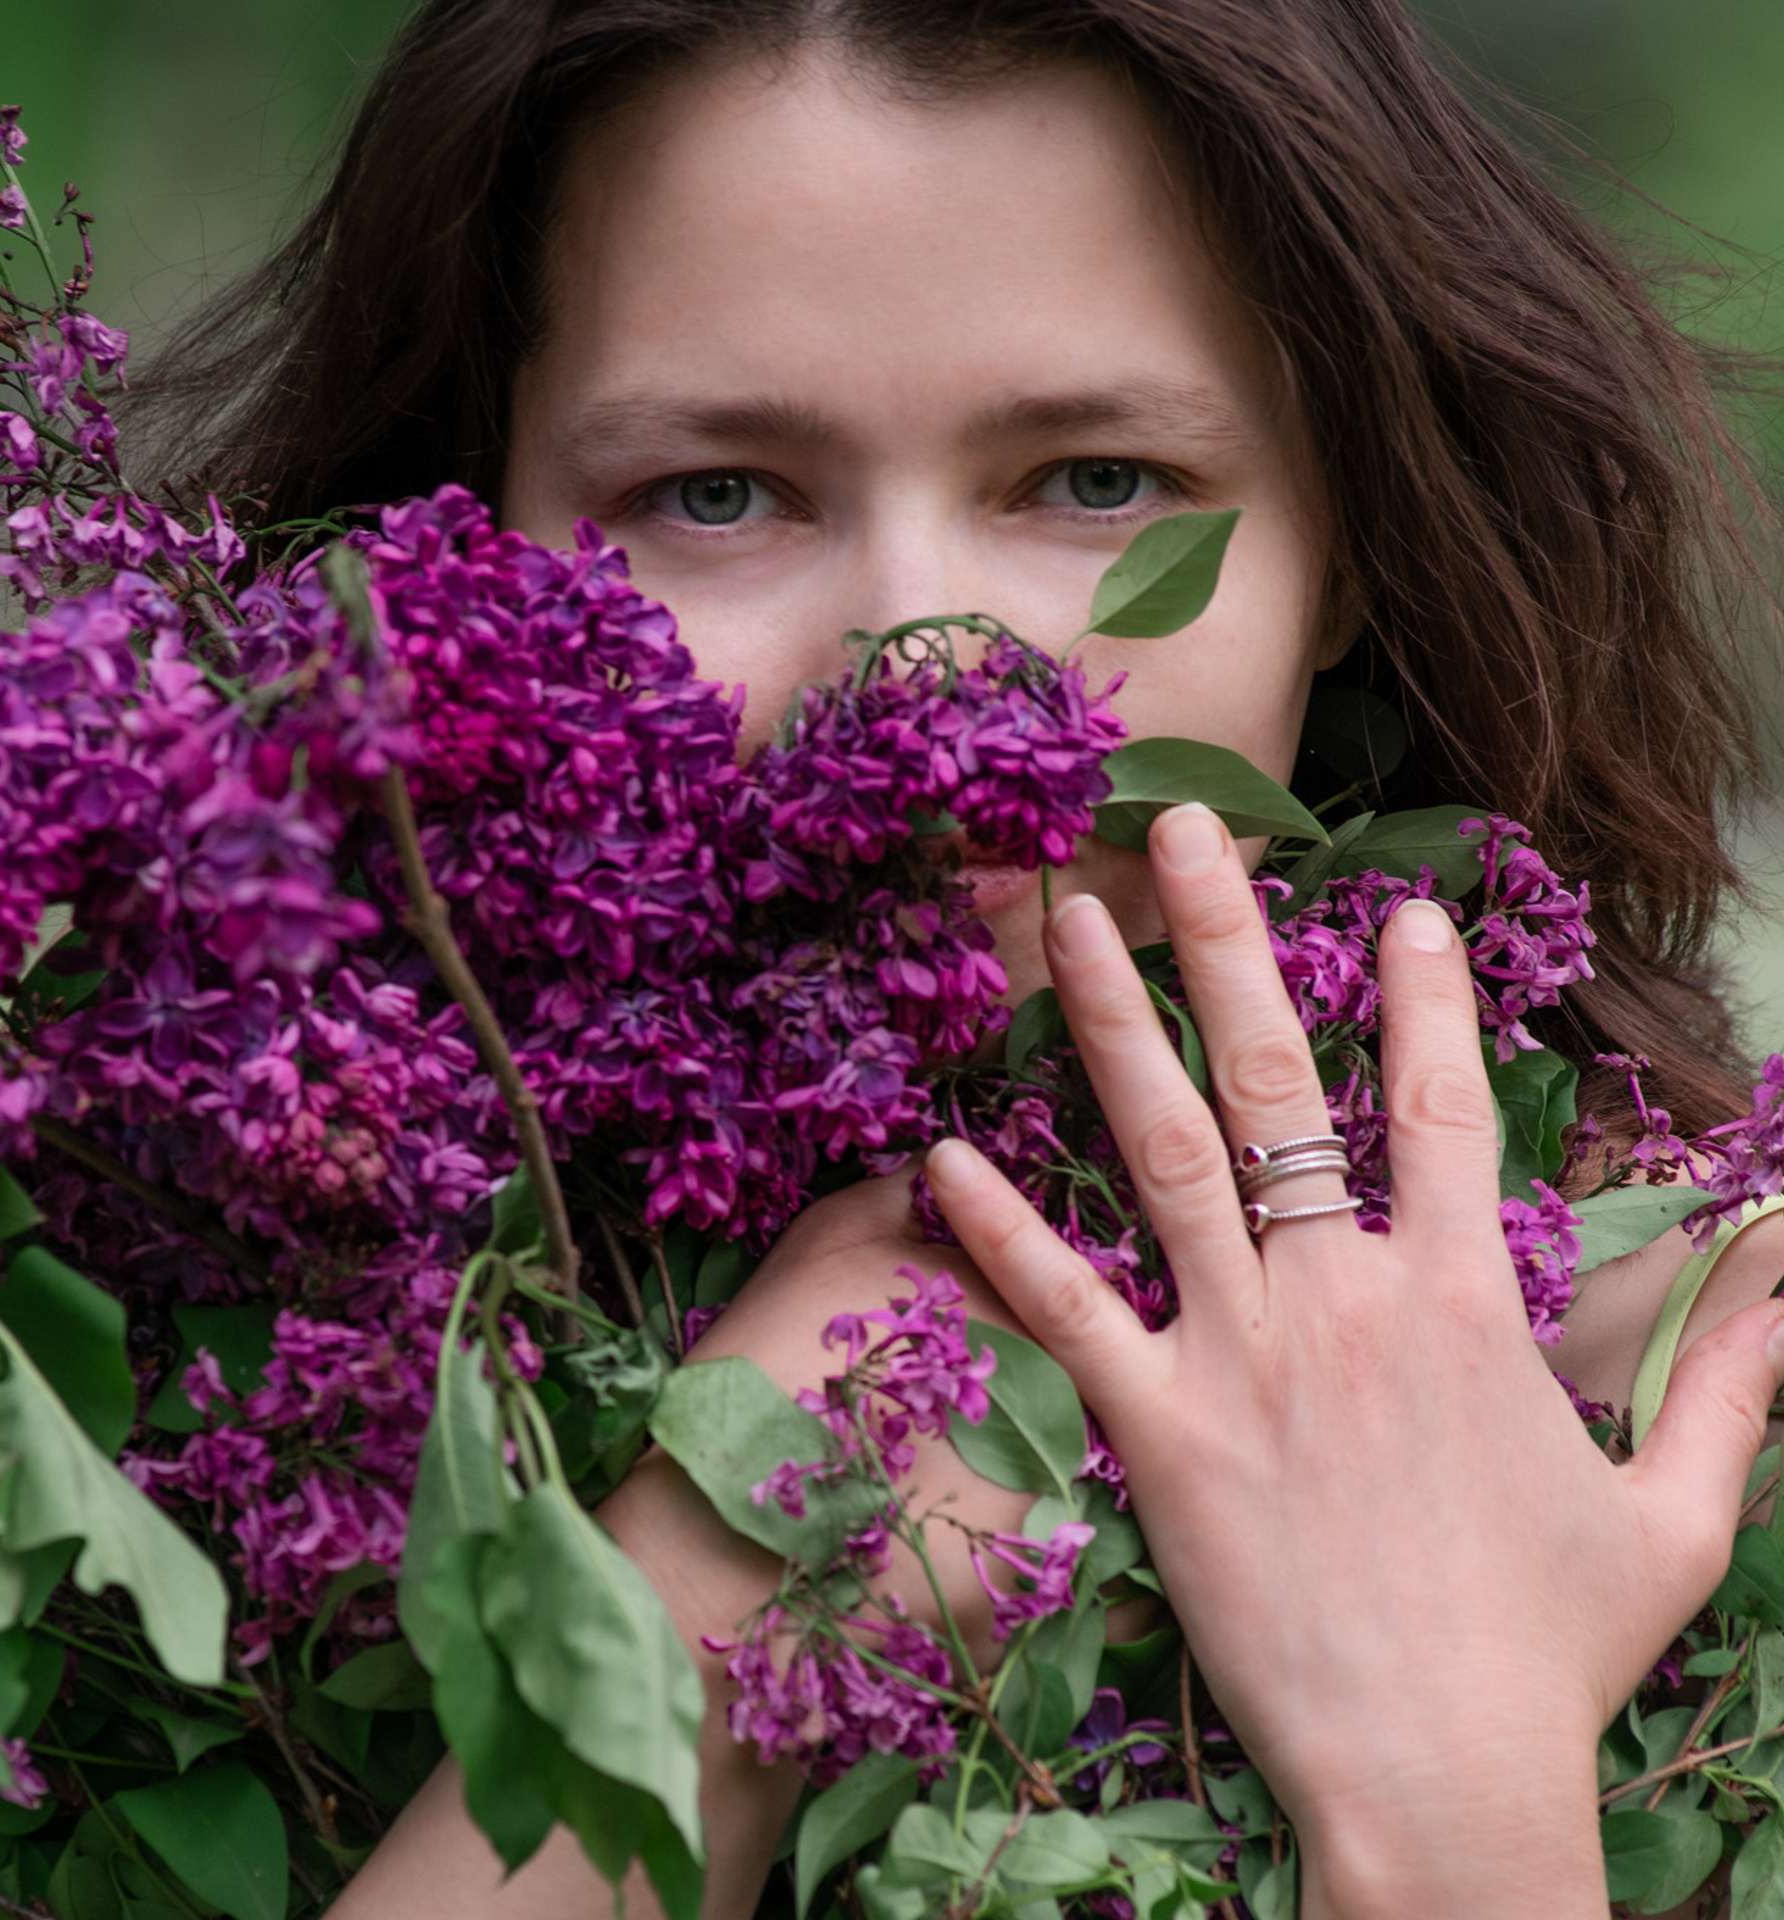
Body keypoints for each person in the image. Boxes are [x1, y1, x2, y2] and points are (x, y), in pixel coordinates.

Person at [146, 1, 1784, 1913]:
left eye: (1094, 481)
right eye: (717, 494)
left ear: (1348, 543)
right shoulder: (151, 1291)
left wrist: (1451, 1800)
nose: (916, 670)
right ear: (467, 536)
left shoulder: (1698, 1381)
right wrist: (721, 1621)